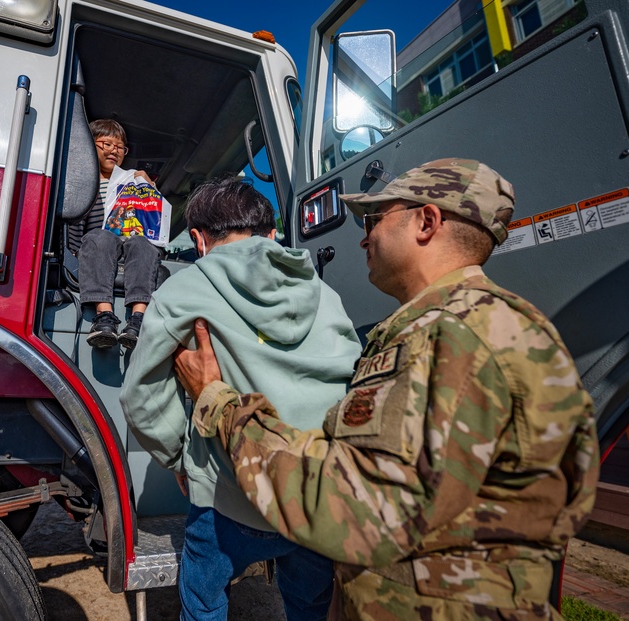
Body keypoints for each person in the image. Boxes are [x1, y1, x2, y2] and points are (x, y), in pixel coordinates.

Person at [174, 159, 600, 620]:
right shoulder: (487, 324)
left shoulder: (452, 336)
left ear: (427, 221)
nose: (363, 236)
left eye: (375, 219)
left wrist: (218, 402)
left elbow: (352, 505)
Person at [120, 178, 362, 621]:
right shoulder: (324, 293)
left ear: (198, 239)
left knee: (205, 602)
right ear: (271, 234)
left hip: (227, 492)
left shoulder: (182, 292)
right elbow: (352, 378)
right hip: (312, 488)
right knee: (309, 603)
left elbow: (141, 395)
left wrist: (179, 460)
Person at [68, 119, 160, 349]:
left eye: (119, 147)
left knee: (144, 243)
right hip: (98, 250)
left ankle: (137, 319)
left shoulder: (132, 181)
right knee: (100, 237)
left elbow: (153, 221)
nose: (113, 150)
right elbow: (75, 226)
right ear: (90, 145)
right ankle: (104, 317)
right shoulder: (83, 184)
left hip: (129, 248)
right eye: (106, 144)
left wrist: (149, 191)